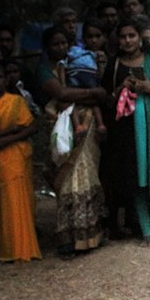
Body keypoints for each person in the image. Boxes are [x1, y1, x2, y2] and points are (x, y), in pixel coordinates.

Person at [35, 25, 106, 258]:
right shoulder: (45, 70)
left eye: (64, 43)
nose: (61, 47)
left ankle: (90, 234)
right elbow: (62, 94)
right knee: (67, 180)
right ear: (46, 47)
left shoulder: (79, 63)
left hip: (87, 125)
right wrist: (92, 92)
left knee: (87, 175)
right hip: (62, 130)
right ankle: (68, 239)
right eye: (56, 44)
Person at [101, 18, 150, 245]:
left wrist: (148, 88)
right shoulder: (114, 65)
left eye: (132, 35)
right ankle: (146, 230)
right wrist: (122, 88)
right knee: (136, 176)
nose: (127, 40)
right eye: (123, 36)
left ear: (140, 38)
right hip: (127, 131)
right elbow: (107, 101)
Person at [0, 64, 41, 262]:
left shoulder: (16, 101)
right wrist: (6, 134)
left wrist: (7, 136)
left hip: (16, 154)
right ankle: (8, 249)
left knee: (20, 200)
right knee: (5, 202)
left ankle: (24, 248)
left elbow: (31, 126)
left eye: (1, 77)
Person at [63, 19, 108, 138]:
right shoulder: (76, 55)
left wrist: (101, 64)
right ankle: (78, 126)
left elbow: (103, 84)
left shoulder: (108, 58)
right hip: (80, 103)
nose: (94, 40)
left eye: (98, 36)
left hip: (100, 107)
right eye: (90, 36)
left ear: (105, 37)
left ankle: (100, 125)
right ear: (83, 38)